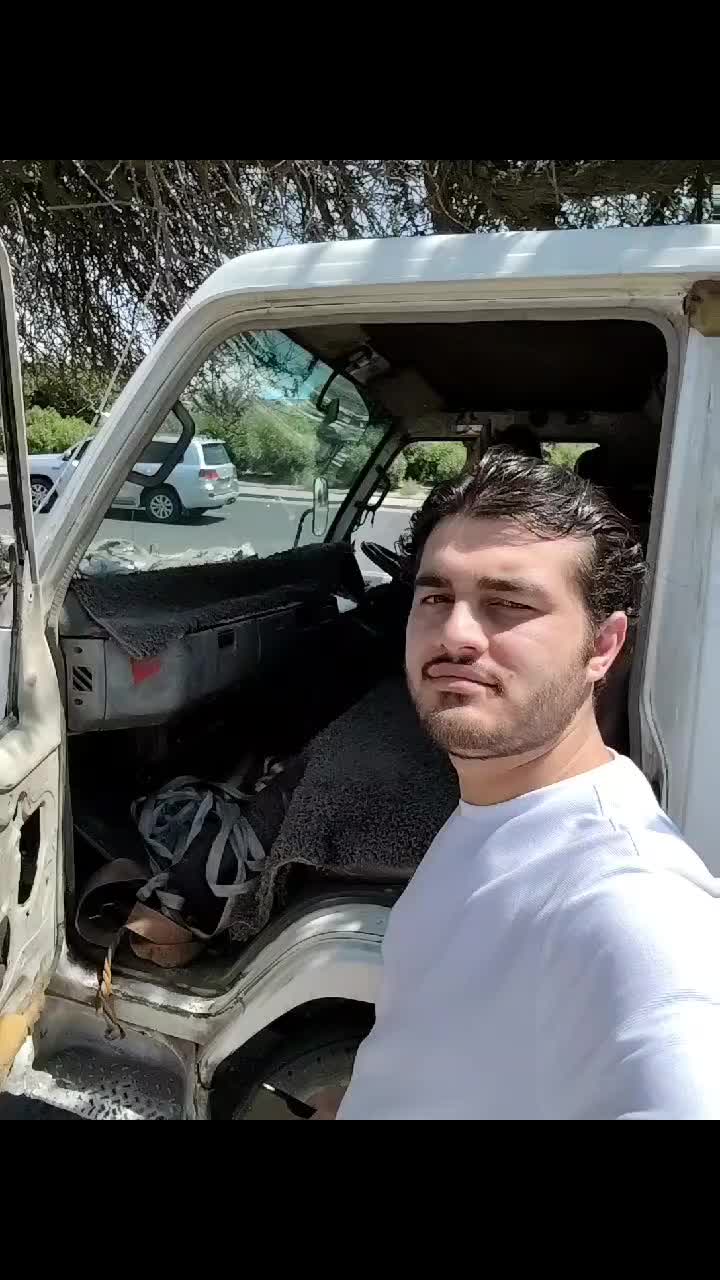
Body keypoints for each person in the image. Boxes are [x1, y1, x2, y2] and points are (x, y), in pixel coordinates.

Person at [316, 450, 720, 1120]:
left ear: (603, 647)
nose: (456, 634)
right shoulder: (495, 809)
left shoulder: (631, 903)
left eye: (507, 604)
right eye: (435, 597)